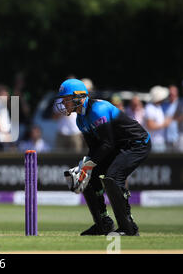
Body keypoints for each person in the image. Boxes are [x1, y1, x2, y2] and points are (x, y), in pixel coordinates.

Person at [56, 78, 151, 236]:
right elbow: (95, 148)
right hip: (117, 146)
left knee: (113, 177)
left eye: (66, 99)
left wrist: (87, 165)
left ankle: (129, 227)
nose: (64, 104)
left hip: (137, 143)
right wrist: (84, 168)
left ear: (79, 97)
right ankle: (103, 224)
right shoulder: (80, 119)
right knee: (88, 176)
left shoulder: (98, 109)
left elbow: (107, 144)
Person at [144, 85, 172, 152]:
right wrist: (164, 124)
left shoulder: (158, 107)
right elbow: (150, 125)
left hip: (160, 141)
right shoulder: (149, 108)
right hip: (154, 142)